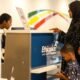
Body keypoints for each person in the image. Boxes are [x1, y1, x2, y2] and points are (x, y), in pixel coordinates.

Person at [51, 1, 80, 71]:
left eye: (70, 10)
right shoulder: (74, 22)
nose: (68, 11)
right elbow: (70, 39)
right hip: (69, 58)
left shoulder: (78, 24)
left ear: (75, 10)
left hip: (73, 60)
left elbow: (72, 44)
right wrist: (60, 32)